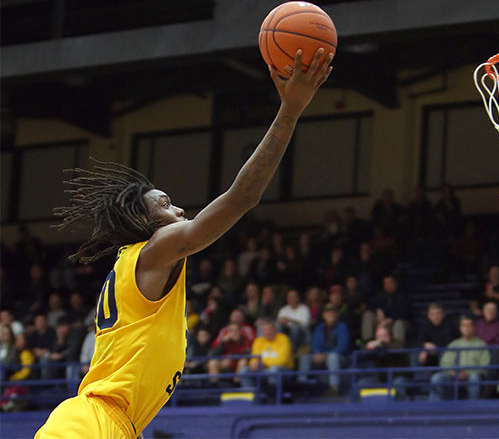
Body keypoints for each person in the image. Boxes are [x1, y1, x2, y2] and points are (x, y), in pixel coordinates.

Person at [35, 49, 333, 439]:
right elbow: (242, 197)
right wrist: (290, 111)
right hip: (93, 422)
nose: (179, 209)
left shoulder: (144, 265)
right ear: (143, 221)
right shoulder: (155, 248)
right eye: (165, 204)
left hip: (113, 425)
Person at [430, 316, 490, 401]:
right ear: (460, 328)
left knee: (474, 378)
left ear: (474, 328)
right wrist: (454, 373)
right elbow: (445, 363)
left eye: (469, 325)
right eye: (464, 326)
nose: (467, 328)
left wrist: (468, 373)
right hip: (454, 377)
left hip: (471, 377)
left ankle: (473, 408)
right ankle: (434, 409)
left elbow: (485, 366)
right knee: (436, 378)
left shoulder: (481, 344)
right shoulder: (454, 344)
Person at [298, 304, 350, 394]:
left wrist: (326, 355)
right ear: (323, 315)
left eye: (333, 312)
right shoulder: (319, 328)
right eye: (328, 312)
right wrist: (317, 353)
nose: (330, 314)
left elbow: (342, 347)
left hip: (339, 358)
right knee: (305, 357)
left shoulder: (342, 327)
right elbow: (316, 345)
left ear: (337, 314)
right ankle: (302, 386)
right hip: (321, 357)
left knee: (333, 357)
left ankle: (334, 388)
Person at [238, 320, 294, 389]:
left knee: (274, 369)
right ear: (262, 332)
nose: (268, 332)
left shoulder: (284, 339)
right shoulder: (258, 341)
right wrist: (254, 364)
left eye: (270, 329)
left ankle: (273, 396)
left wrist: (263, 363)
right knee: (244, 370)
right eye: (265, 330)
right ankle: (251, 396)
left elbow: (282, 360)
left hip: (283, 371)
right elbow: (254, 358)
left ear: (275, 329)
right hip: (263, 371)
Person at [361, 275, 409, 346]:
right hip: (382, 323)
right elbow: (371, 305)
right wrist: (377, 310)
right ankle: (367, 342)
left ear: (395, 284)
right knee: (368, 315)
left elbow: (405, 313)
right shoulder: (381, 296)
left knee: (399, 323)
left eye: (390, 283)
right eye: (386, 283)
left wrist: (389, 319)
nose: (388, 285)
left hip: (396, 323)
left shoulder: (402, 296)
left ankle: (397, 346)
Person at [417, 302, 459, 367]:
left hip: (446, 353)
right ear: (428, 315)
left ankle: (443, 373)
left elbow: (449, 342)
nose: (435, 316)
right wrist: (424, 346)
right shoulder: (425, 325)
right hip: (430, 355)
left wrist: (435, 347)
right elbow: (420, 340)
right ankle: (419, 376)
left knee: (444, 352)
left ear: (442, 314)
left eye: (438, 313)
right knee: (417, 354)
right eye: (432, 314)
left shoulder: (450, 325)